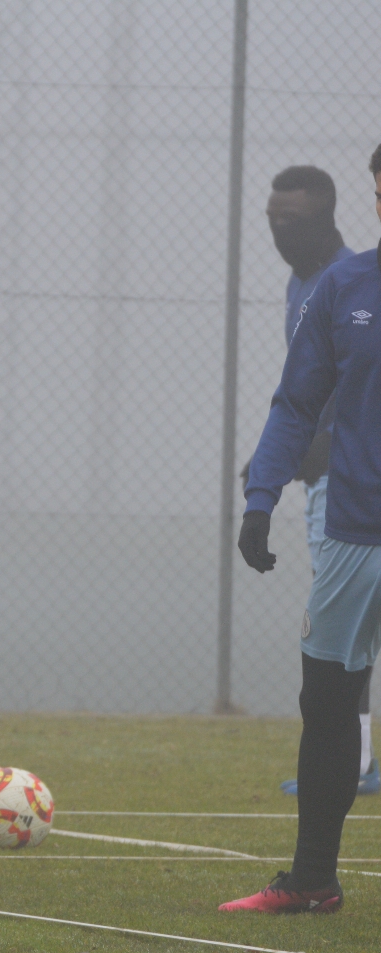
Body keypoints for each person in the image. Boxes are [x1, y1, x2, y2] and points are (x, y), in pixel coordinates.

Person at [226, 145, 381, 914]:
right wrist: (260, 496)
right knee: (326, 698)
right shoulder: (342, 288)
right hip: (355, 530)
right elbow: (295, 403)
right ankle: (312, 880)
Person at [264, 165, 377, 796]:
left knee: (345, 631)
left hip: (354, 485)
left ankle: (356, 761)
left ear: (329, 217)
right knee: (341, 632)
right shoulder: (300, 280)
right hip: (319, 476)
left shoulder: (349, 280)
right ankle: (356, 757)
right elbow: (305, 391)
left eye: (294, 221)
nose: (281, 232)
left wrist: (326, 445)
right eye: (272, 220)